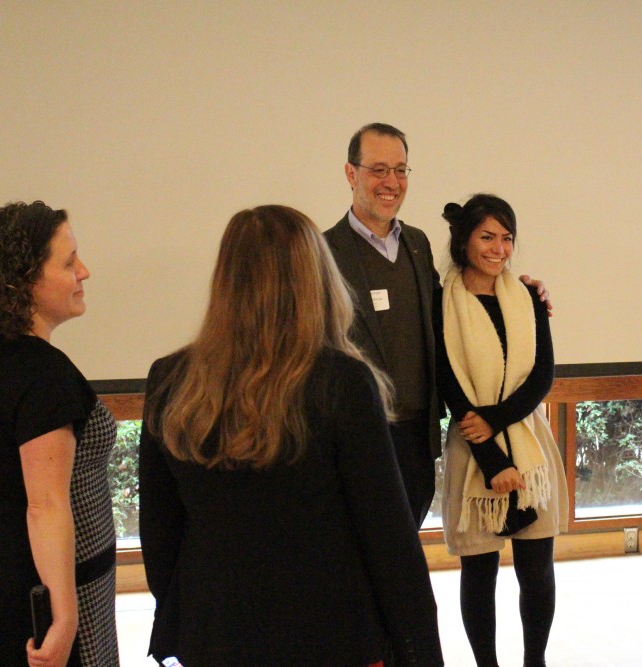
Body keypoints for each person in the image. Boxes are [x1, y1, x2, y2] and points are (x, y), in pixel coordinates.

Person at [139, 205, 443, 667]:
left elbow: (160, 539)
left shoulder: (170, 379)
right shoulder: (341, 381)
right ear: (316, 279)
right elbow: (389, 543)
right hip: (331, 636)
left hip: (215, 634)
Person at [324, 122, 550, 527]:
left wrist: (524, 292)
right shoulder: (323, 252)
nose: (391, 181)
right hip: (357, 436)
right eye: (379, 169)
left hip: (416, 436)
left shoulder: (416, 243)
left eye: (400, 170)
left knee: (406, 546)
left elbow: (447, 319)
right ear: (350, 173)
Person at [0, 202, 119, 667]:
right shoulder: (41, 372)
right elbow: (45, 505)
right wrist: (63, 618)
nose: (84, 271)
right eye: (68, 262)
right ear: (22, 281)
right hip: (43, 593)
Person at [434, 194, 568, 667]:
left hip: (529, 444)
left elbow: (543, 376)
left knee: (538, 571)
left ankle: (536, 662)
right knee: (479, 573)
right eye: (487, 237)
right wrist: (492, 459)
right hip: (473, 450)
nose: (499, 249)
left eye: (507, 238)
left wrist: (496, 419)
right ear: (464, 241)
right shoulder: (441, 302)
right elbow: (449, 383)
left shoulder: (528, 296)